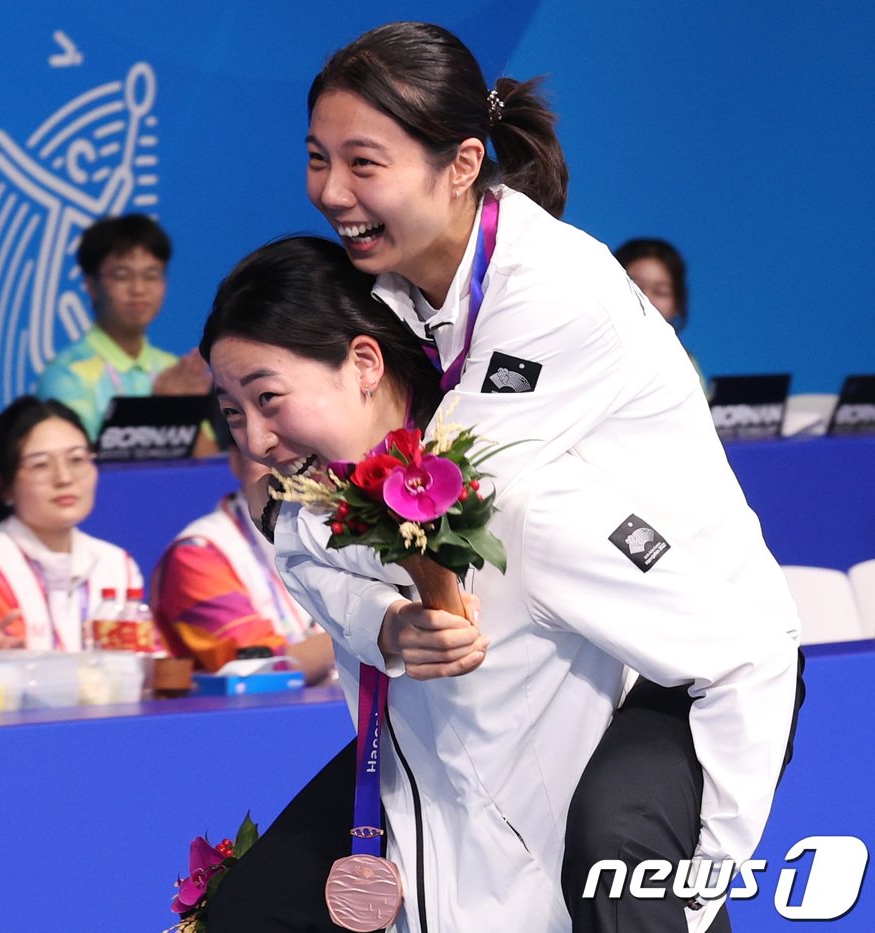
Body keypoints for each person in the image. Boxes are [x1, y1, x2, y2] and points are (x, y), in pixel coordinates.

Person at [267, 21, 801, 932]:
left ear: (463, 162)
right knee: (268, 894)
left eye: (364, 163)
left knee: (612, 861)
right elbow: (314, 524)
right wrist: (386, 620)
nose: (331, 193)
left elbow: (415, 510)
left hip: (693, 655)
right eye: (318, 159)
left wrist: (330, 525)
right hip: (544, 654)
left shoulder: (555, 291)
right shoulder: (388, 295)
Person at [199, 235, 799, 933]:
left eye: (269, 398)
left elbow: (748, 654)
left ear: (364, 362)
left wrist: (692, 890)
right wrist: (387, 623)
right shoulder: (312, 518)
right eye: (234, 412)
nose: (257, 440)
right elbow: (309, 564)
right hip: (437, 889)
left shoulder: (527, 508)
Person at [0, 396, 143, 652]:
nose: (64, 478)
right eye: (40, 465)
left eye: (76, 459)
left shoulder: (117, 564)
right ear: (3, 485)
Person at [151, 442, 334, 683]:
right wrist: (375, 627)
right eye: (266, 456)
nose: (285, 469)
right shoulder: (198, 553)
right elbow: (260, 669)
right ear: (236, 461)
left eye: (300, 452)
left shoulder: (352, 526)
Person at [35, 214, 214, 447]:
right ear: (91, 285)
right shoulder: (67, 375)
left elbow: (209, 465)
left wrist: (181, 409)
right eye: (122, 275)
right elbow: (77, 470)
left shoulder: (173, 370)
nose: (138, 289)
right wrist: (164, 409)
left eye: (151, 275)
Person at [615, 238, 702, 380]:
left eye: (661, 292)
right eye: (635, 287)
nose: (646, 300)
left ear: (677, 305)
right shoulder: (584, 348)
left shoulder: (686, 368)